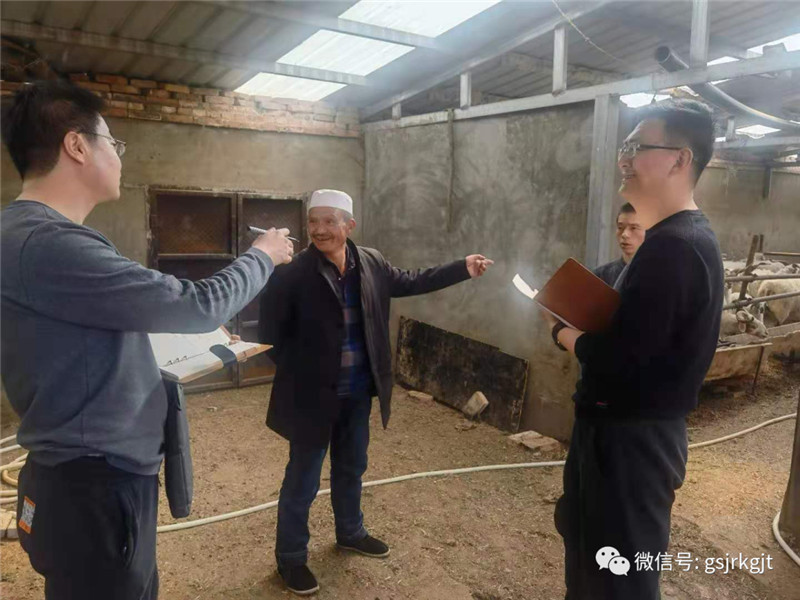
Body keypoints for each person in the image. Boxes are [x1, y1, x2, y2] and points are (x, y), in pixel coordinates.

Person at [1, 79, 294, 600]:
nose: (119, 156)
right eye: (113, 142)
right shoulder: (48, 242)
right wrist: (262, 256)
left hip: (82, 477)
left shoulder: (25, 235)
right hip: (94, 485)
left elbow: (79, 339)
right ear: (76, 145)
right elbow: (198, 305)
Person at [259, 189, 493, 595]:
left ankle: (350, 532)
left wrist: (462, 268)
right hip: (312, 398)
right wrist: (304, 373)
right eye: (313, 221)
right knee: (303, 480)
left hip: (357, 392)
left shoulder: (371, 262)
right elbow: (270, 334)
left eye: (329, 221)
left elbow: (413, 280)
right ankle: (291, 559)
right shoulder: (292, 272)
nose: (319, 230)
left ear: (349, 225)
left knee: (352, 467)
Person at [543, 99, 723, 599]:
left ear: (680, 160)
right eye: (625, 146)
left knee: (620, 579)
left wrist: (562, 333)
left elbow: (622, 360)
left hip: (631, 443)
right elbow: (641, 340)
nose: (624, 158)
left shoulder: (674, 247)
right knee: (593, 561)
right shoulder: (673, 241)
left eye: (638, 147)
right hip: (624, 436)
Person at [592, 203, 644, 287]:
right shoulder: (599, 276)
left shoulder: (661, 275)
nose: (624, 234)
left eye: (633, 228)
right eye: (620, 228)